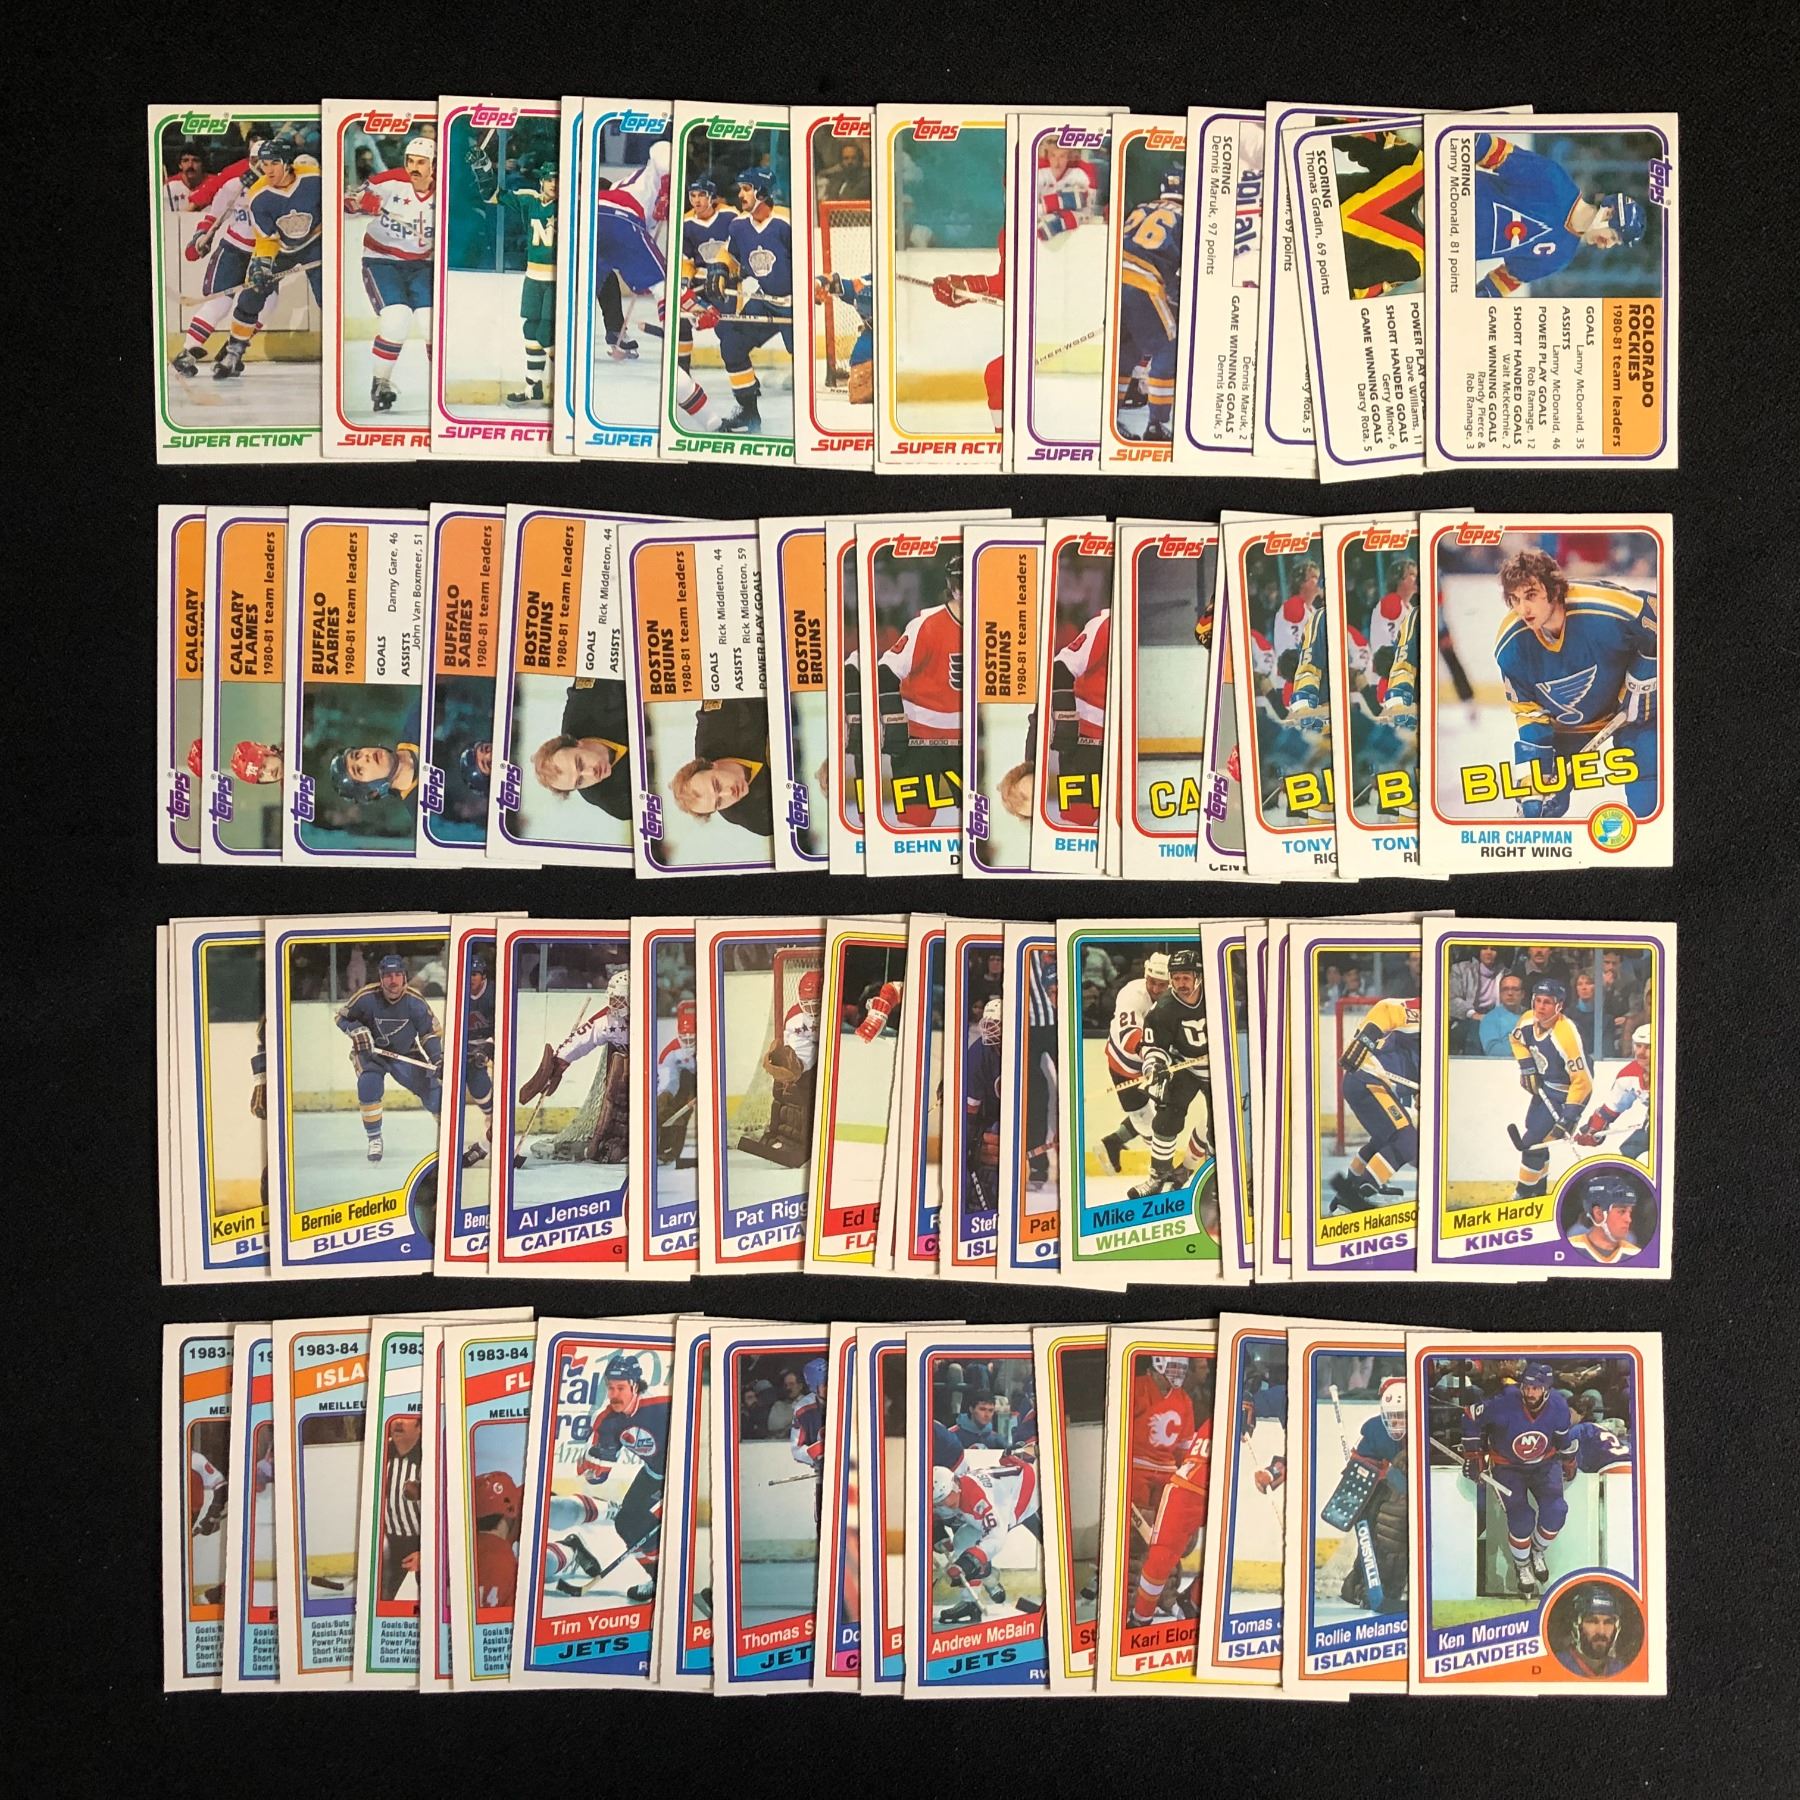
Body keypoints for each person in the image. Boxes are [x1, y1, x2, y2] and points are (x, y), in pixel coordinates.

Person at [1494, 547, 1658, 819]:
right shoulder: (1511, 645)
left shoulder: (1605, 606)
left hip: (1630, 712)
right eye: (1514, 599)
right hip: (1569, 728)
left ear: (1554, 589)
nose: (1523, 609)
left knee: (1648, 804)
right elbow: (1529, 714)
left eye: (1531, 595)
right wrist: (1533, 776)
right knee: (1544, 808)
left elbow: (1661, 616)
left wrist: (1645, 674)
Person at [546, 1352, 668, 1605]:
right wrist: (593, 1471)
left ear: (635, 1386)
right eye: (610, 1387)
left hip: (683, 1471)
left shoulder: (663, 1404)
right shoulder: (608, 1420)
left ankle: (679, 1573)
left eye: (620, 1388)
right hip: (654, 1473)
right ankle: (660, 1578)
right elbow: (601, 1474)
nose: (614, 1394)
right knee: (626, 1522)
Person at [1469, 133, 1647, 298]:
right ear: (1608, 213)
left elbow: (1505, 280)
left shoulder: (1561, 257)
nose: (1606, 245)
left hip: (1455, 248)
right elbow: (1490, 150)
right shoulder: (1553, 179)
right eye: (1613, 237)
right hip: (1456, 200)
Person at [1460, 1362, 1576, 1602]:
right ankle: (1522, 1565)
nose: (1530, 1393)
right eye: (1527, 1387)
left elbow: (1563, 1439)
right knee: (1522, 1518)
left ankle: (1537, 1552)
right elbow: (1470, 1415)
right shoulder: (1504, 1401)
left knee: (1557, 1510)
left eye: (1536, 1388)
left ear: (1547, 1390)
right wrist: (1473, 1454)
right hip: (1508, 1467)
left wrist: (1569, 1460)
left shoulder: (1558, 1406)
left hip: (1544, 1465)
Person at [345, 134, 436, 412]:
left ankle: (438, 383)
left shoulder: (446, 192)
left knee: (432, 323)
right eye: (410, 161)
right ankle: (380, 383)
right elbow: (346, 203)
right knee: (396, 319)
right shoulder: (390, 181)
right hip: (381, 261)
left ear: (434, 165)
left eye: (421, 162)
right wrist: (361, 203)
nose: (414, 168)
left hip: (422, 265)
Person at [468, 139, 557, 407]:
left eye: (558, 179)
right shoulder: (530, 200)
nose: (554, 184)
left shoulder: (572, 206)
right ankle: (533, 387)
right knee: (530, 329)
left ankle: (566, 384)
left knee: (547, 334)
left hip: (559, 281)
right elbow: (492, 196)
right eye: (550, 179)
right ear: (541, 181)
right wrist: (483, 168)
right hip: (533, 277)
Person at [335, 955, 443, 1163]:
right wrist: (355, 1029)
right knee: (368, 1084)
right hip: (371, 1053)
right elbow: (342, 1017)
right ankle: (374, 1139)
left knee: (433, 1093)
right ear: (380, 977)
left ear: (404, 977)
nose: (393, 980)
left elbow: (429, 1034)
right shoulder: (366, 997)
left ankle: (447, 1130)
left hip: (406, 1052)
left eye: (397, 975)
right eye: (388, 976)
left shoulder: (415, 1002)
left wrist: (437, 1058)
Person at [710, 167, 794, 435]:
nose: (741, 194)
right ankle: (749, 413)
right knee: (731, 343)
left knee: (803, 362)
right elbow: (730, 255)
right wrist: (720, 269)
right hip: (765, 299)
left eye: (747, 189)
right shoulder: (739, 225)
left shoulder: (787, 222)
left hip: (796, 305)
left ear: (763, 192)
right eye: (740, 189)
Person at [515, 970, 630, 1165]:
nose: (613, 1004)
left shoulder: (650, 1017)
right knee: (616, 1086)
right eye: (611, 998)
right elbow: (580, 1041)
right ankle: (613, 1139)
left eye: (618, 1000)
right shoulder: (608, 1020)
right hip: (625, 1063)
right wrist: (557, 1065)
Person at [1127, 947, 1211, 1201]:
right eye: (1176, 978)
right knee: (1166, 1119)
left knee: (1221, 1125)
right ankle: (1158, 1177)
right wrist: (1156, 1067)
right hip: (1187, 1068)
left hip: (1223, 1072)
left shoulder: (1219, 996)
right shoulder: (1163, 1009)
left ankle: (1200, 1174)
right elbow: (1154, 1047)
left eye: (1186, 977)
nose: (1181, 984)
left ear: (1198, 977)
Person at [1113, 165, 1184, 441]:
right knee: (1168, 348)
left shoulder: (1141, 208)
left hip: (1116, 279)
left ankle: (1112, 417)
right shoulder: (1188, 217)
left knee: (1127, 350)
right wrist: (1174, 295)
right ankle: (1156, 425)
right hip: (1143, 282)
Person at [1332, 992, 1420, 1213]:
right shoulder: (1424, 1008)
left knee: (1385, 1139)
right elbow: (1387, 1008)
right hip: (1369, 1079)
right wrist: (1363, 1042)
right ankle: (1361, 1195)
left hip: (1369, 1083)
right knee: (1407, 1140)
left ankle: (1348, 1191)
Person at [1507, 980, 1592, 1201]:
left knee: (1532, 1142)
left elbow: (1583, 1082)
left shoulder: (1567, 1035)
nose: (1541, 1007)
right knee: (1537, 1136)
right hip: (1545, 1089)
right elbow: (1515, 1040)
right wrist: (1527, 1067)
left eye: (1547, 1002)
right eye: (1538, 1001)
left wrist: (1569, 1116)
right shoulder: (1527, 1019)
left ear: (1559, 1006)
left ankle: (1523, 1194)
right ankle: (1538, 1192)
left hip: (1566, 1094)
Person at [671, 696, 773, 838]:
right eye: (719, 803)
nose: (729, 793)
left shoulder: (716, 721)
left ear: (711, 765)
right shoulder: (755, 818)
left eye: (717, 785)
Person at [531, 680, 632, 820]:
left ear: (576, 743)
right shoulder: (614, 802)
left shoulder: (584, 700)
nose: (591, 773)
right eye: (579, 781)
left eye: (580, 763)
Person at [1575, 1023, 1653, 1162]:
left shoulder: (1670, 1071)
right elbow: (1611, 1108)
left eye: (1648, 1047)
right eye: (1638, 1046)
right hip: (1653, 1123)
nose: (1641, 1052)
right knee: (1629, 1152)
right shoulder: (1628, 1075)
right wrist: (1594, 1129)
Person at [378, 1415, 423, 1602]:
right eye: (396, 1416)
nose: (398, 1422)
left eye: (406, 1417)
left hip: (418, 1547)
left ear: (420, 1426)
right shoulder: (381, 1453)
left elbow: (447, 1514)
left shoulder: (430, 1456)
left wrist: (428, 1553)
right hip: (390, 1545)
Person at [1555, 1585, 1630, 1678]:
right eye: (1592, 1621)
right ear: (1576, 1625)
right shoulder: (1557, 1665)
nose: (1601, 1631)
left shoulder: (1621, 1670)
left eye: (1608, 1622)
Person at [1479, 973, 1525, 1057]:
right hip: (1505, 1062)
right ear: (1500, 993)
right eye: (1505, 989)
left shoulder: (1533, 1016)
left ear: (1522, 994)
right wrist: (1524, 1053)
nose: (1510, 993)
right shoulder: (1490, 1019)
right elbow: (1492, 1049)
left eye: (1515, 989)